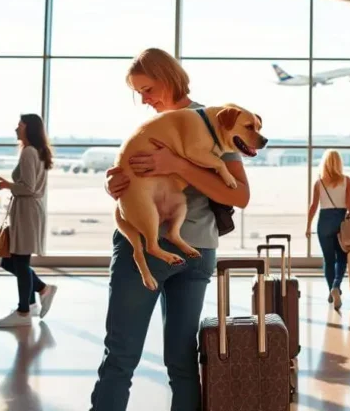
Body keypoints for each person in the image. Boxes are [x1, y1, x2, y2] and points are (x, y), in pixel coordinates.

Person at [90, 48, 250, 411]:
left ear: (169, 77)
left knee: (120, 357)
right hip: (196, 251)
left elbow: (239, 195)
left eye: (148, 89)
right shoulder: (159, 128)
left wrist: (176, 162)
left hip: (159, 249)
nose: (144, 100)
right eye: (139, 93)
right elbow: (133, 179)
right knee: (182, 363)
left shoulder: (215, 123)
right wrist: (112, 184)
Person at [0, 114, 58, 327]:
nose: (16, 128)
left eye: (19, 125)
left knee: (19, 261)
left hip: (27, 212)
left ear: (28, 128)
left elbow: (29, 188)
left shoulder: (29, 152)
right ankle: (36, 296)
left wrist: (6, 184)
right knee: (12, 260)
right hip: (28, 211)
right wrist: (3, 181)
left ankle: (24, 311)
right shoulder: (36, 152)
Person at [305, 149, 350, 311]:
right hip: (340, 221)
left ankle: (331, 290)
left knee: (328, 260)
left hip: (324, 222)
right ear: (339, 163)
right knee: (342, 257)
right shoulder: (346, 181)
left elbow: (313, 206)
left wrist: (308, 226)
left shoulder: (319, 183)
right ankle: (336, 286)